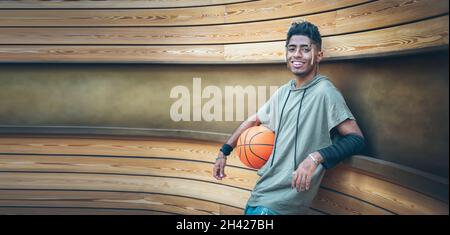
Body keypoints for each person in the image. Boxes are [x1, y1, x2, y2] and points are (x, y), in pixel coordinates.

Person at [212, 20, 365, 215]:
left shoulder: (325, 92)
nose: (297, 54)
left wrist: (315, 158)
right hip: (259, 194)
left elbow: (356, 139)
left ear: (319, 55)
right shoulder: (283, 92)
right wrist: (223, 152)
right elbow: (253, 120)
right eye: (292, 49)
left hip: (283, 205)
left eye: (305, 49)